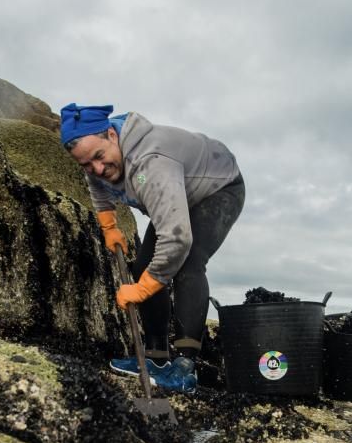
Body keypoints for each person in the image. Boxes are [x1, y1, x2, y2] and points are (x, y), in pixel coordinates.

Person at [60, 103, 244, 394]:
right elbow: (96, 185)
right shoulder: (97, 160)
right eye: (86, 164)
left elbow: (178, 238)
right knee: (144, 264)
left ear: (111, 135)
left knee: (188, 261)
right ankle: (156, 359)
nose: (97, 168)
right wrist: (109, 225)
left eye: (99, 157)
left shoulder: (151, 161)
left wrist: (145, 288)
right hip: (177, 193)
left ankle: (185, 368)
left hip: (219, 187)